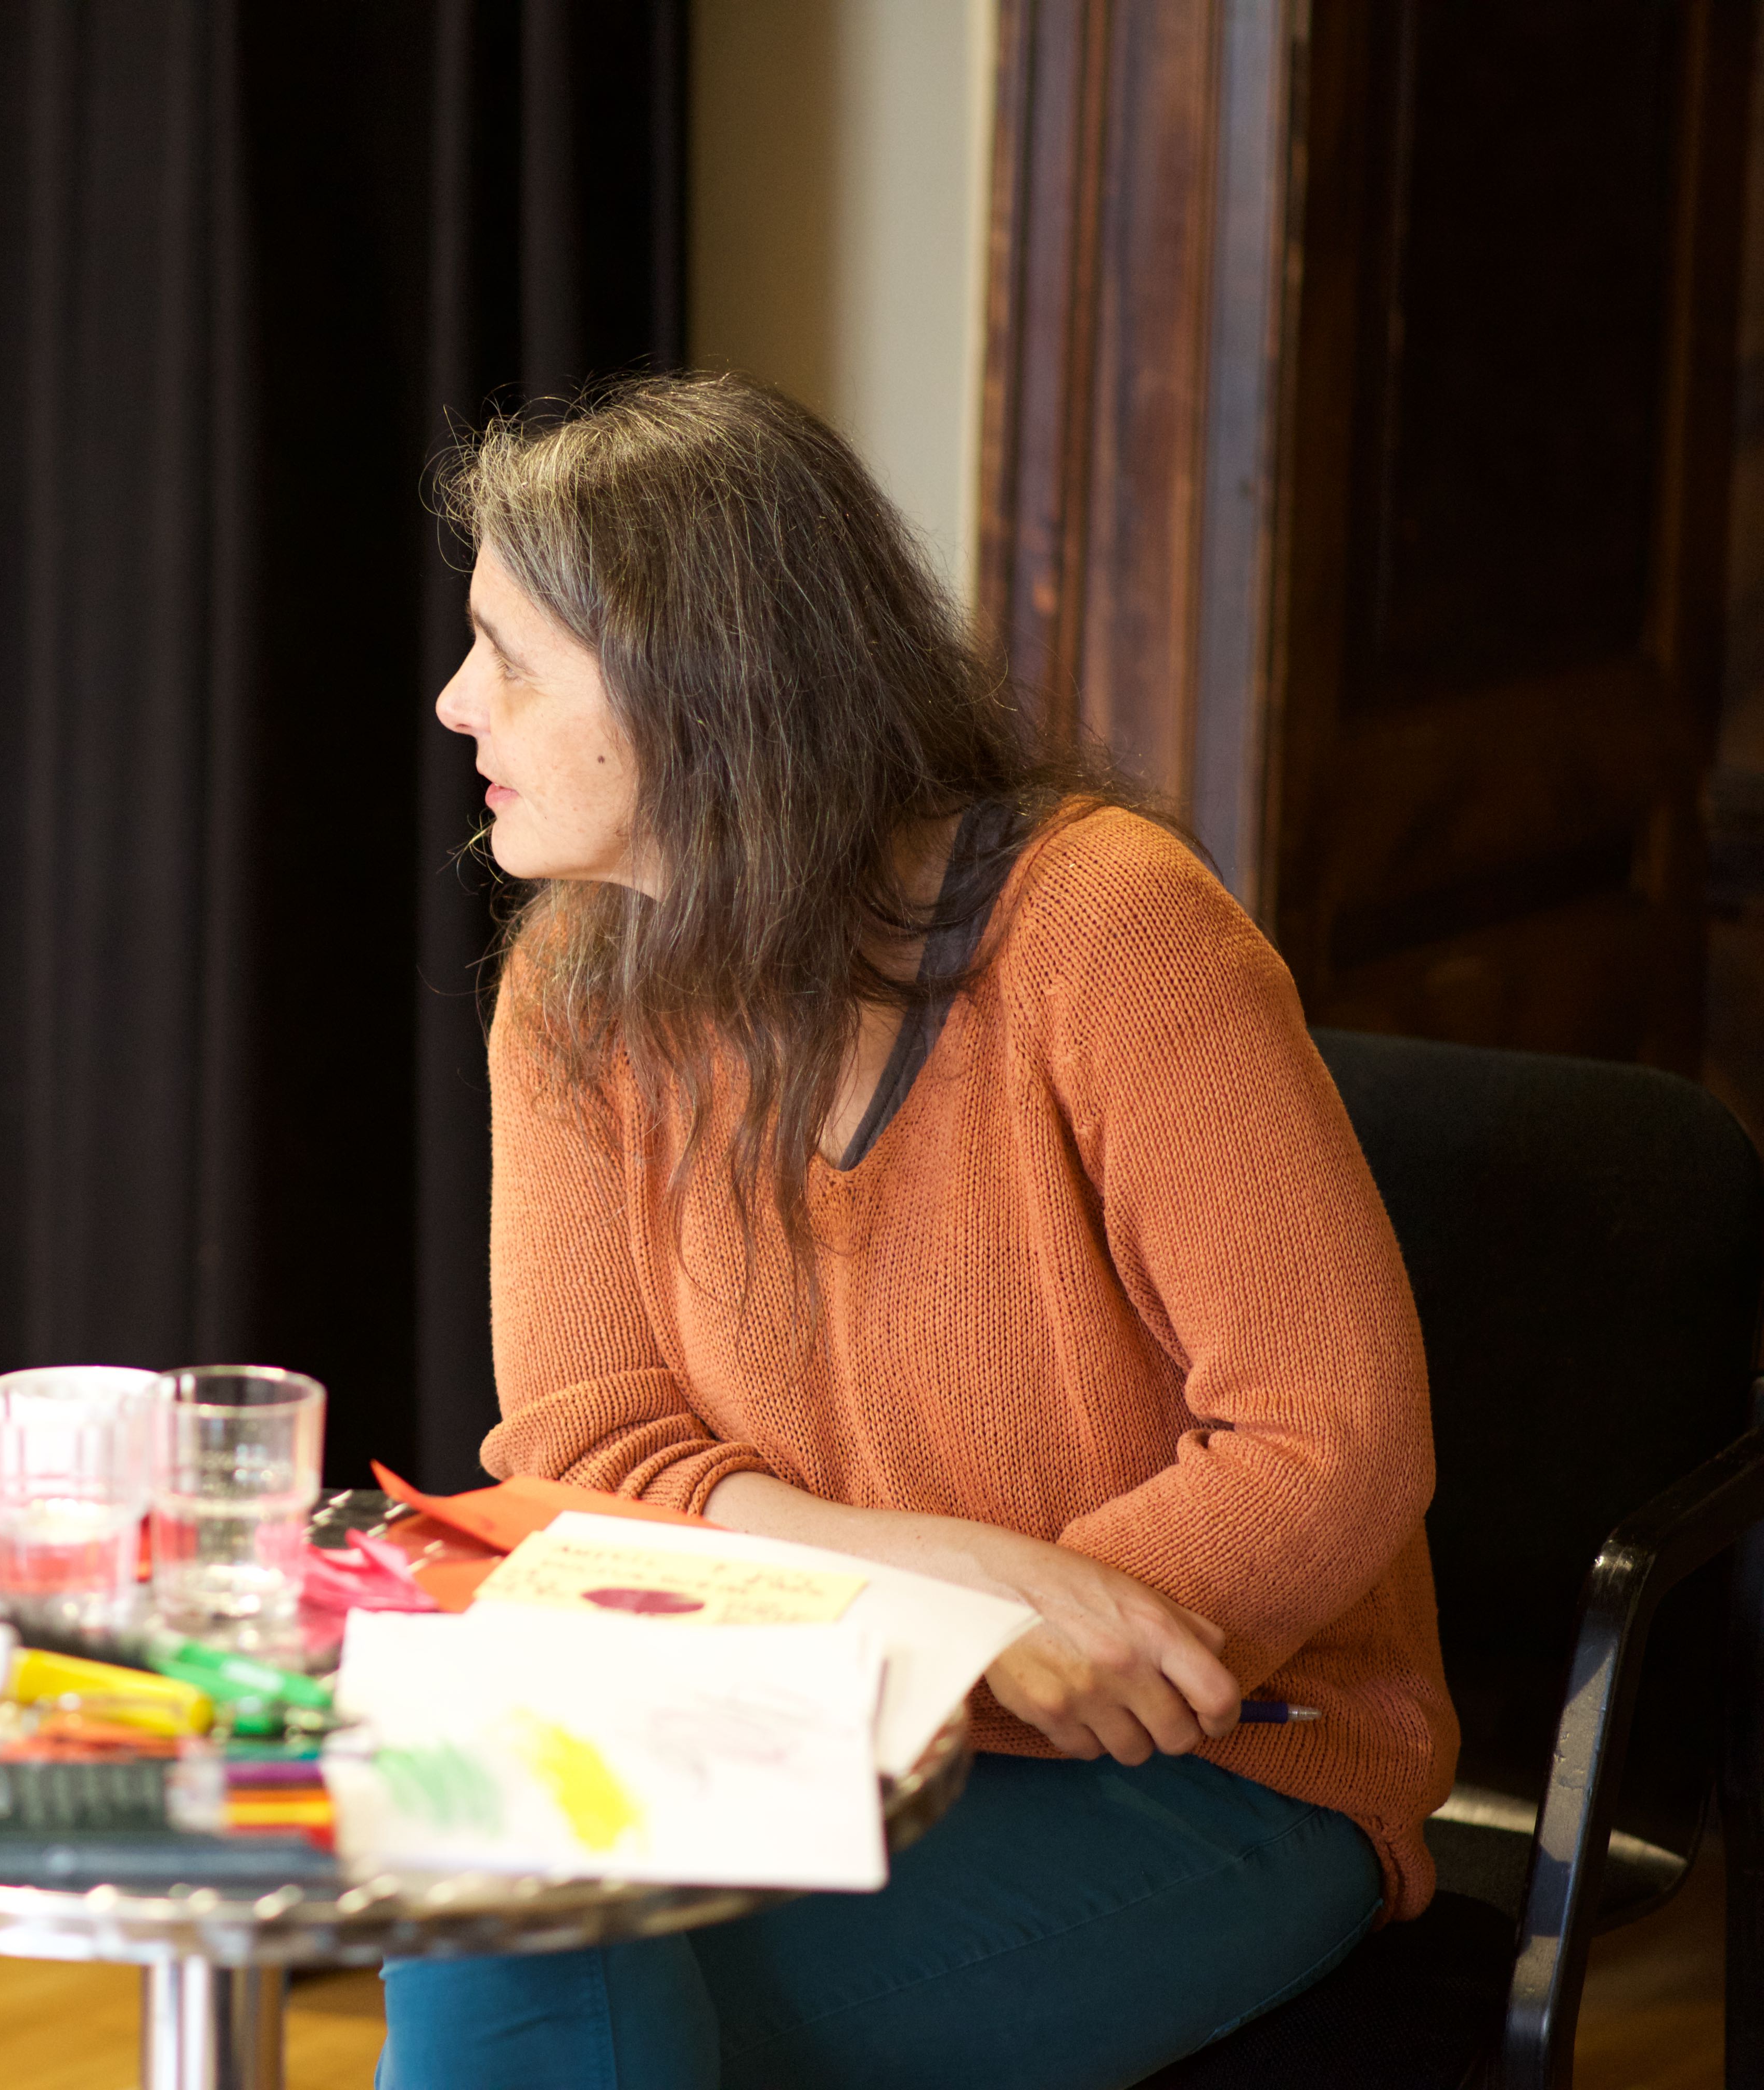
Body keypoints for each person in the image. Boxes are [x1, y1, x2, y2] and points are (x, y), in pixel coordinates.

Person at [385, 374, 1458, 2089]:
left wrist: (999, 1650)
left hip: (1209, 1758)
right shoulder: (577, 986)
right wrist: (944, 1592)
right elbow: (587, 1450)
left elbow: (1330, 1436)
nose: (456, 702)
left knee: (538, 1996)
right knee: (481, 1895)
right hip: (792, 1728)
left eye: (510, 656)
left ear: (701, 680)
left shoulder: (1108, 929)